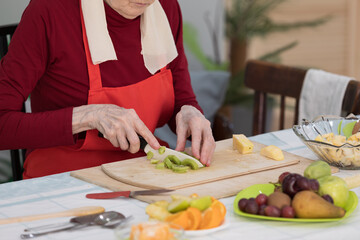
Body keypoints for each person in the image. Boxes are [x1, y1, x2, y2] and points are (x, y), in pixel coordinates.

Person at [0, 0, 216, 178]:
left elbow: (182, 98)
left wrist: (189, 112)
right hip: (64, 177)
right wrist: (87, 116)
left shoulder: (165, 8)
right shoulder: (49, 12)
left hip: (142, 173)